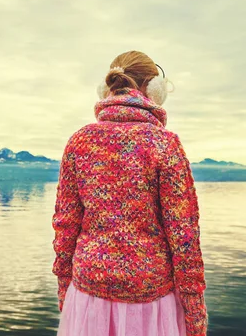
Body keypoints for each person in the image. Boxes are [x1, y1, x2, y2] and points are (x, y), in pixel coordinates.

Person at [52, 50, 208, 336]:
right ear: (154, 90)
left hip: (87, 295)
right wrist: (195, 315)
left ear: (107, 89)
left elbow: (65, 226)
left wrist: (65, 289)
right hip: (151, 303)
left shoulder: (79, 142)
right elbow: (184, 238)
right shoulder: (165, 144)